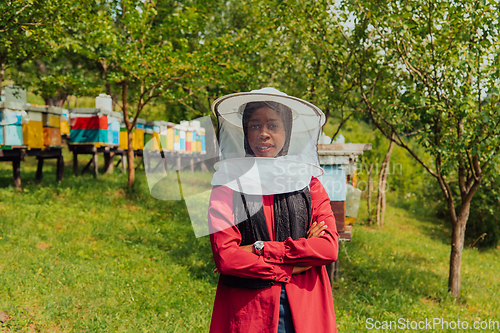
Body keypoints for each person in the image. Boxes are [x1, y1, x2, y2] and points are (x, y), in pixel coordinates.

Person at [208, 88, 339, 333]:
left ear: (287, 133)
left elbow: (328, 248)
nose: (264, 134)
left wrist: (261, 248)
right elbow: (226, 258)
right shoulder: (227, 184)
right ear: (245, 132)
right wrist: (294, 265)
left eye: (274, 125)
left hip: (304, 305)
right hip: (248, 312)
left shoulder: (309, 183)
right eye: (255, 125)